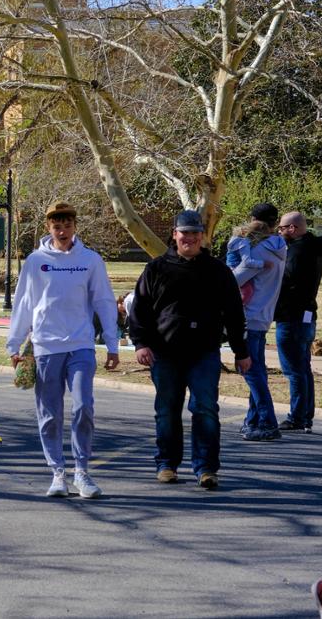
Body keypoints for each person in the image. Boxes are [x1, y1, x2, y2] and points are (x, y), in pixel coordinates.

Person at [128, 210, 251, 490]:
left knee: (205, 409)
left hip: (204, 352)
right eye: (185, 232)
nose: (190, 238)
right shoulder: (156, 269)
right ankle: (167, 464)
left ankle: (206, 468)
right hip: (165, 352)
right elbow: (141, 311)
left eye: (195, 233)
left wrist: (240, 351)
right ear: (175, 235)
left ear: (202, 237)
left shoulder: (218, 271)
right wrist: (140, 343)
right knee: (167, 410)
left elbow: (234, 314)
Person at [7, 202, 119, 499]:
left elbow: (104, 301)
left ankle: (82, 472)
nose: (63, 231)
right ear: (49, 228)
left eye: (67, 225)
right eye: (57, 226)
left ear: (74, 226)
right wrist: (14, 344)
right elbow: (24, 304)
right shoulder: (35, 261)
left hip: (80, 344)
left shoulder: (90, 260)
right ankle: (58, 472)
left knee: (83, 406)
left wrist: (112, 343)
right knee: (50, 414)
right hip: (46, 346)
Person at [231, 202, 286, 442]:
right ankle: (252, 421)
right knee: (258, 372)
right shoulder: (280, 247)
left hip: (249, 316)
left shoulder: (258, 251)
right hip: (263, 316)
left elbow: (233, 281)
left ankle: (267, 422)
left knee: (251, 372)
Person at [275, 211, 322, 434]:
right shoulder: (314, 248)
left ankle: (297, 416)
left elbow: (286, 280)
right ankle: (305, 416)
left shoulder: (296, 252)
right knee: (303, 369)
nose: (280, 231)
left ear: (293, 229)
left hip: (291, 317)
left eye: (282, 228)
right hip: (307, 315)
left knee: (294, 370)